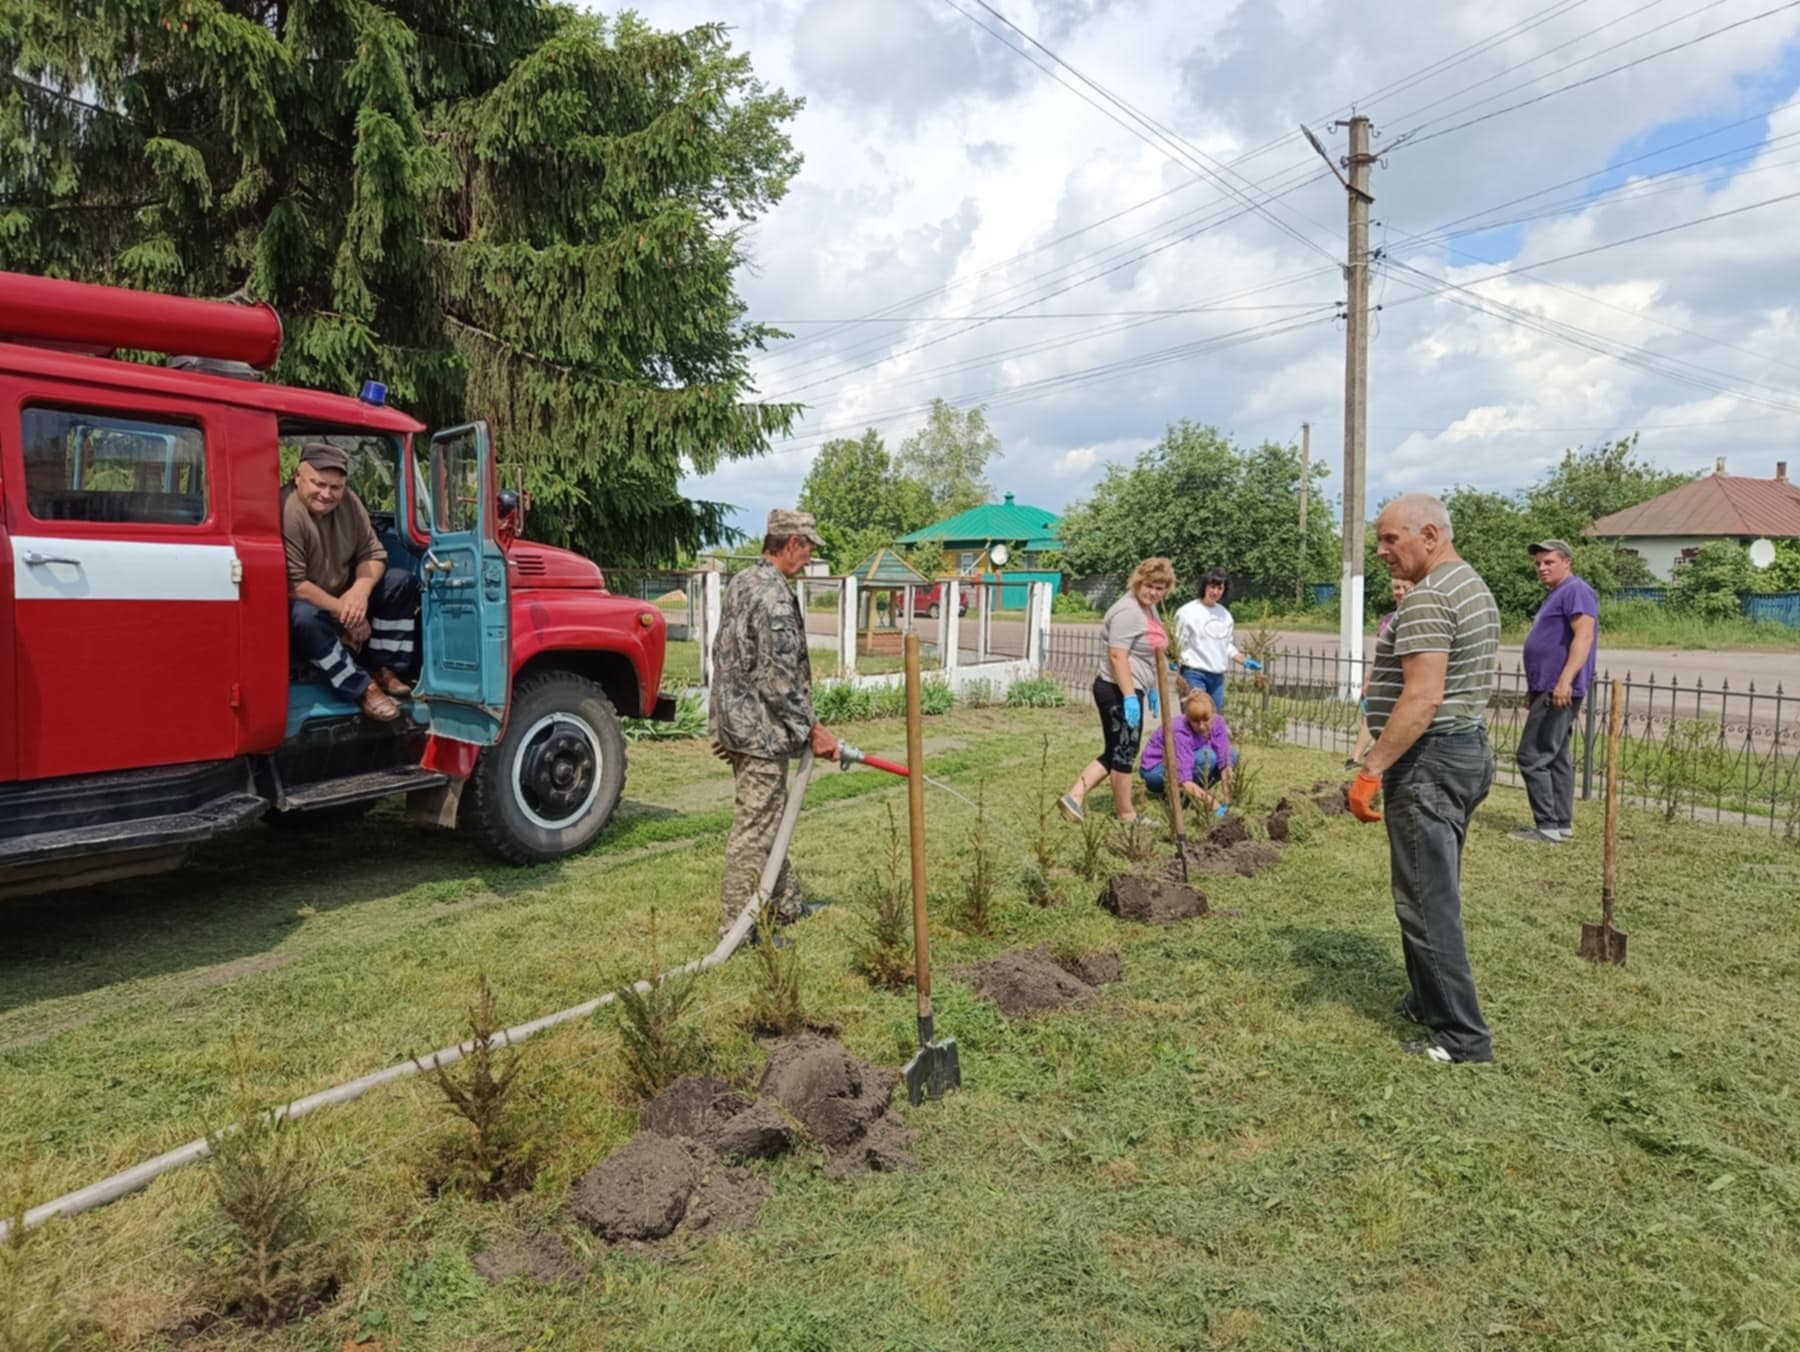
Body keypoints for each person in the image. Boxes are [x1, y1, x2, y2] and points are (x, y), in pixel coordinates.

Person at [1349, 493, 1501, 1065]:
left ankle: (1462, 1039)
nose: (1382, 550)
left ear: (1431, 535)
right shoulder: (1471, 585)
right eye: (1380, 539)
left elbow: (1422, 698)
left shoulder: (1429, 599)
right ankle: (1424, 997)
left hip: (1430, 761)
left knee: (1425, 900)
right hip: (1465, 751)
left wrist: (1372, 768)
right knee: (1428, 884)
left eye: (1392, 539)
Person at [709, 509, 839, 937]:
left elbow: (724, 654)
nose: (809, 557)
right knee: (755, 829)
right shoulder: (776, 597)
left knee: (772, 818)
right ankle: (737, 930)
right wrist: (813, 730)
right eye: (808, 547)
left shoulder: (743, 582)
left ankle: (785, 905)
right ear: (790, 544)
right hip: (761, 732)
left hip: (741, 726)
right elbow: (778, 679)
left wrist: (723, 724)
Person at [283, 441, 419, 721]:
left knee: (401, 582)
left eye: (335, 487)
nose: (326, 494)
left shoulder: (349, 502)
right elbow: (294, 585)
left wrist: (360, 591)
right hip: (309, 603)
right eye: (318, 484)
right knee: (303, 618)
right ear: (298, 477)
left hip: (345, 595)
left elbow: (374, 555)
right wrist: (350, 615)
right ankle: (361, 687)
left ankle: (384, 667)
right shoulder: (288, 510)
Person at [1060, 557, 1174, 824]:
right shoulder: (1128, 612)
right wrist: (1131, 697)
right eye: (1149, 586)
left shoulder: (1148, 609)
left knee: (1115, 750)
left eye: (1160, 588)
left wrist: (1154, 687)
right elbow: (1117, 657)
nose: (1154, 592)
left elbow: (1152, 653)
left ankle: (1074, 797)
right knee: (1125, 753)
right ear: (1138, 581)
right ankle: (1127, 814)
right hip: (1117, 690)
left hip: (1130, 688)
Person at [1511, 539, 1598, 844]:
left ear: (1566, 562)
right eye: (1538, 563)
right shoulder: (1556, 594)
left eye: (1548, 562)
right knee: (1557, 755)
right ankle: (1561, 823)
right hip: (1545, 687)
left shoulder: (1576, 590)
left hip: (1558, 688)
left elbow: (1584, 636)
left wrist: (1565, 680)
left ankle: (1547, 825)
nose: (1541, 568)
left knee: (1531, 756)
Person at [1172, 568, 1261, 712]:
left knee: (1214, 721)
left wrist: (1244, 661)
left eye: (1220, 588)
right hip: (1194, 674)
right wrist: (1174, 660)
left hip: (1217, 677)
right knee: (1196, 717)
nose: (1215, 591)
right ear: (1204, 587)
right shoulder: (1187, 612)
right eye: (1212, 587)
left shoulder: (1225, 615)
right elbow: (1177, 642)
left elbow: (1227, 646)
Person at [1348, 576, 1415, 767]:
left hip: (1405, 679)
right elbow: (1381, 654)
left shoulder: (1417, 618)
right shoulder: (1387, 620)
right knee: (1373, 713)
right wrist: (1369, 678)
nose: (1400, 592)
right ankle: (1356, 757)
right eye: (1396, 587)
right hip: (1385, 678)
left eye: (1405, 587)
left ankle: (1384, 757)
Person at [1141, 687, 1237, 816]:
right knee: (1208, 757)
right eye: (1195, 721)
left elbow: (1224, 759)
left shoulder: (1217, 722)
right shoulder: (1179, 730)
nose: (1202, 726)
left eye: (1206, 720)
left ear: (1213, 714)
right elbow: (1184, 778)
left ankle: (1192, 795)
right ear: (1187, 717)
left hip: (1190, 760)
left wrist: (1227, 800)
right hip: (1156, 771)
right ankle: (1179, 794)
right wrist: (1215, 806)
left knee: (1231, 756)